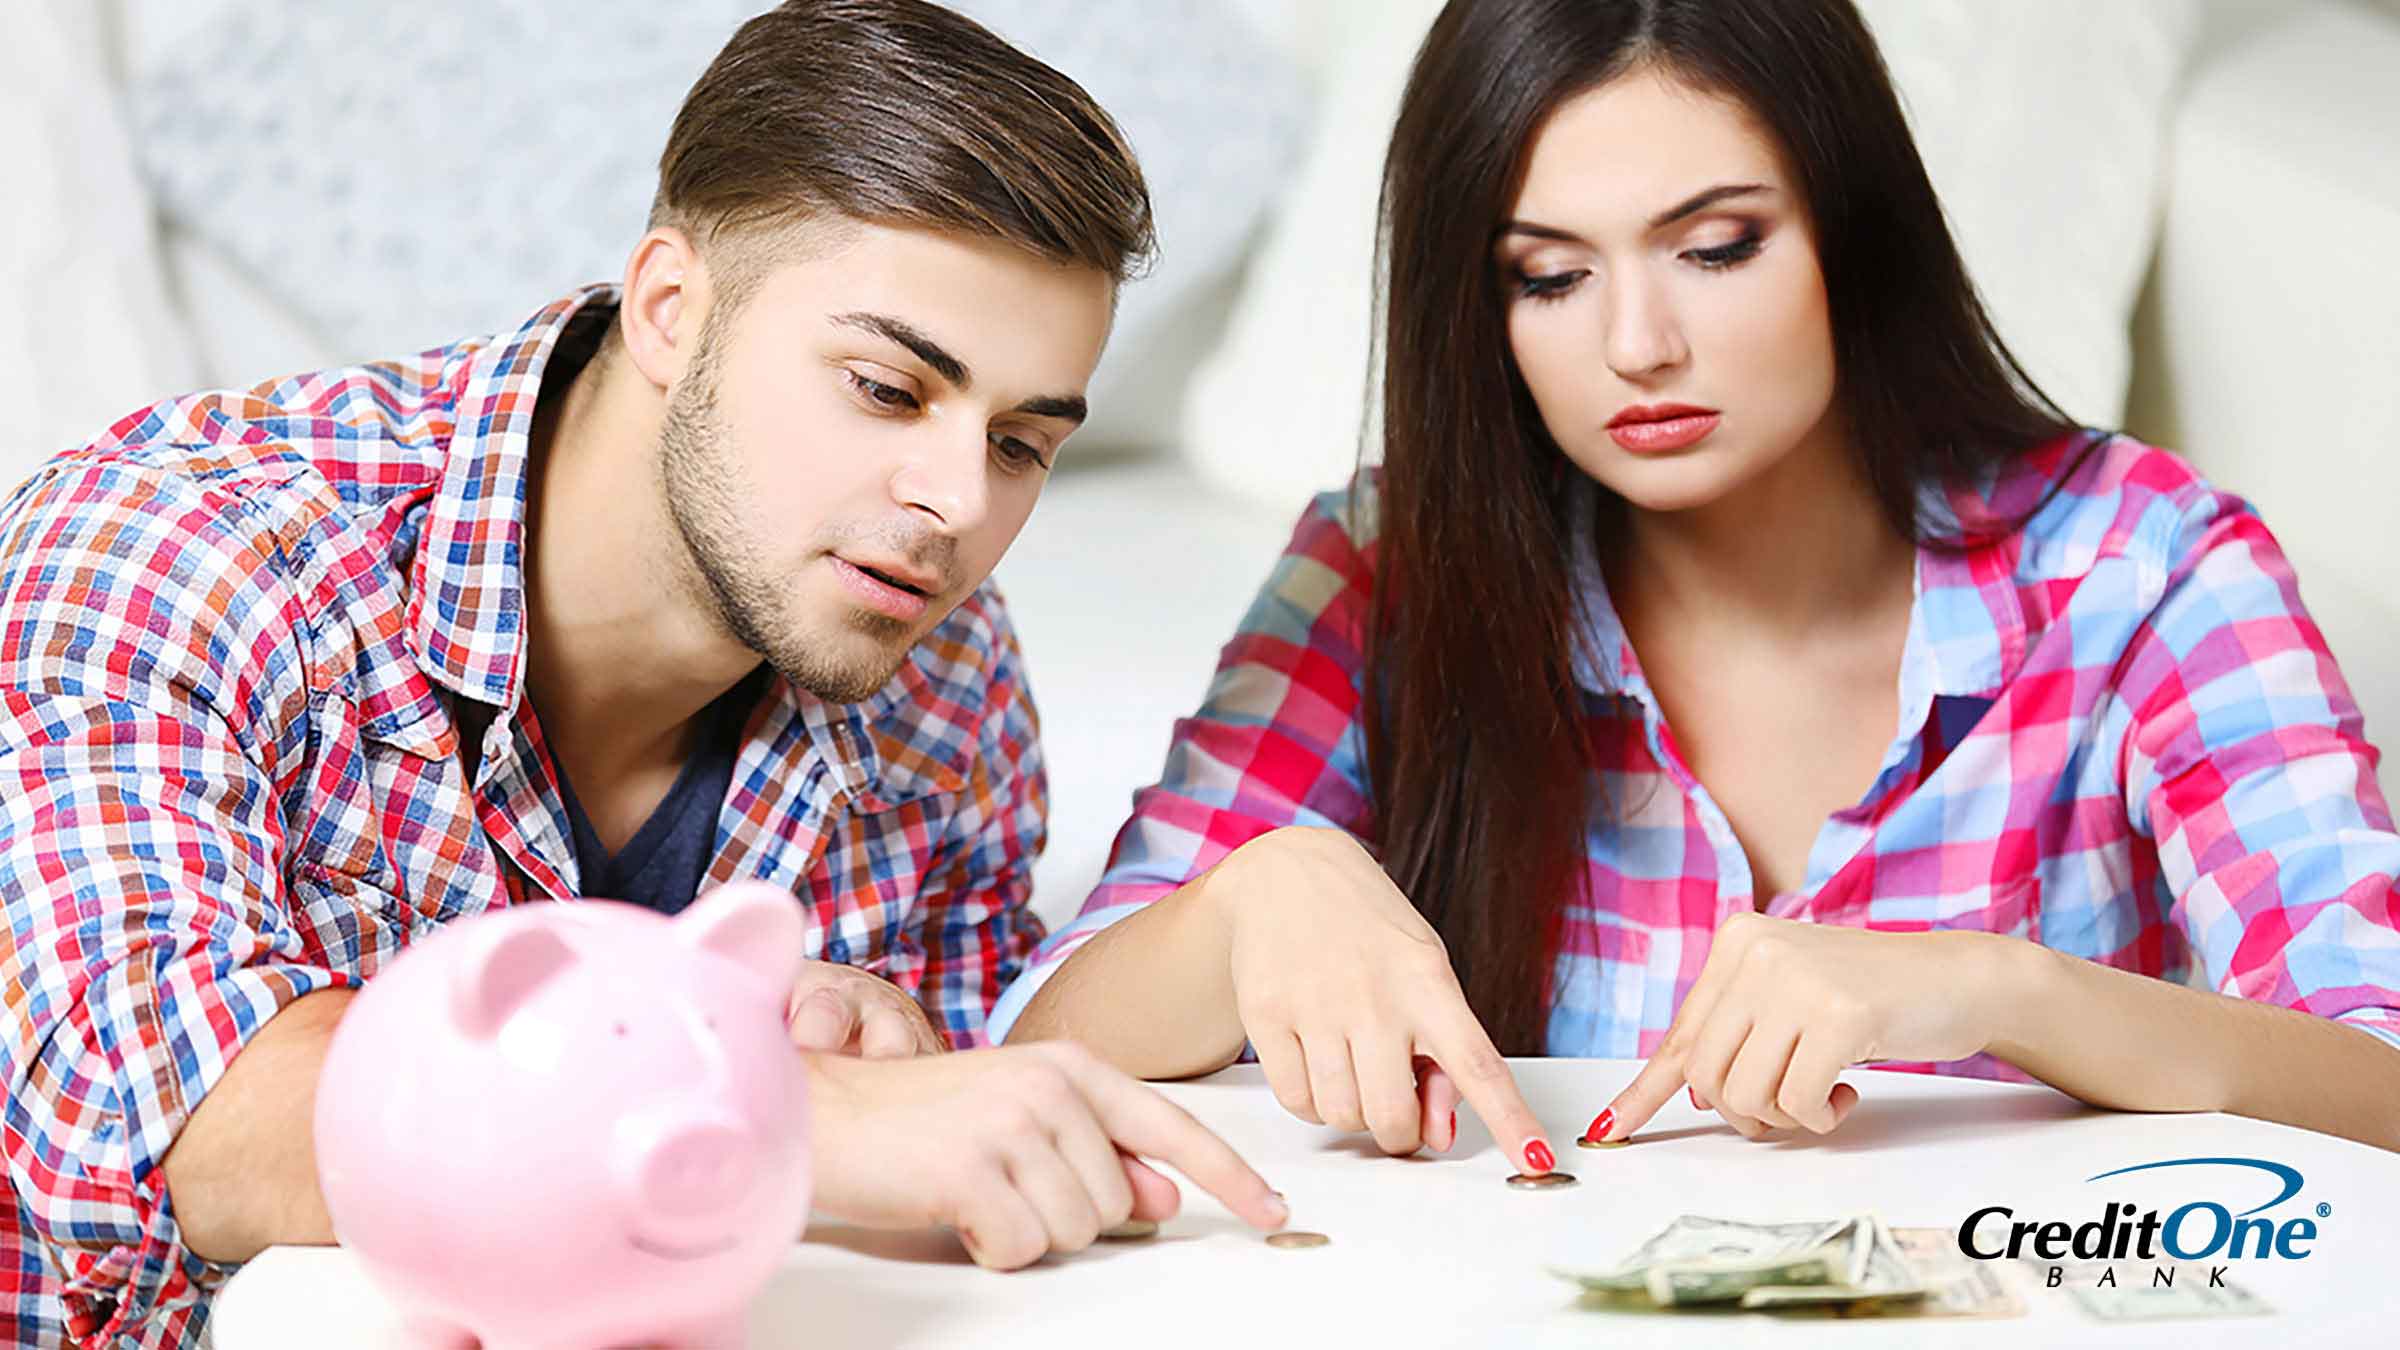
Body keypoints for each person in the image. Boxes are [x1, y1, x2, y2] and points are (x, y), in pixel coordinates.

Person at [0, 3, 1286, 1344]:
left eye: (1022, 442)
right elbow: (167, 1117)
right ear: (672, 308)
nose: (958, 500)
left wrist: (890, 1045)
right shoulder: (178, 547)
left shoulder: (940, 673)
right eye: (889, 390)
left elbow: (952, 1109)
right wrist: (797, 1111)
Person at [993, 0, 2400, 1172]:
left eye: (1715, 248)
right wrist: (1244, 906)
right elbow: (1036, 1045)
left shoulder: (2149, 565)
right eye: (1548, 277)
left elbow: (2380, 1076)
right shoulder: (1386, 570)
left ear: (1853, 231)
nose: (1637, 343)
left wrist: (2007, 990)